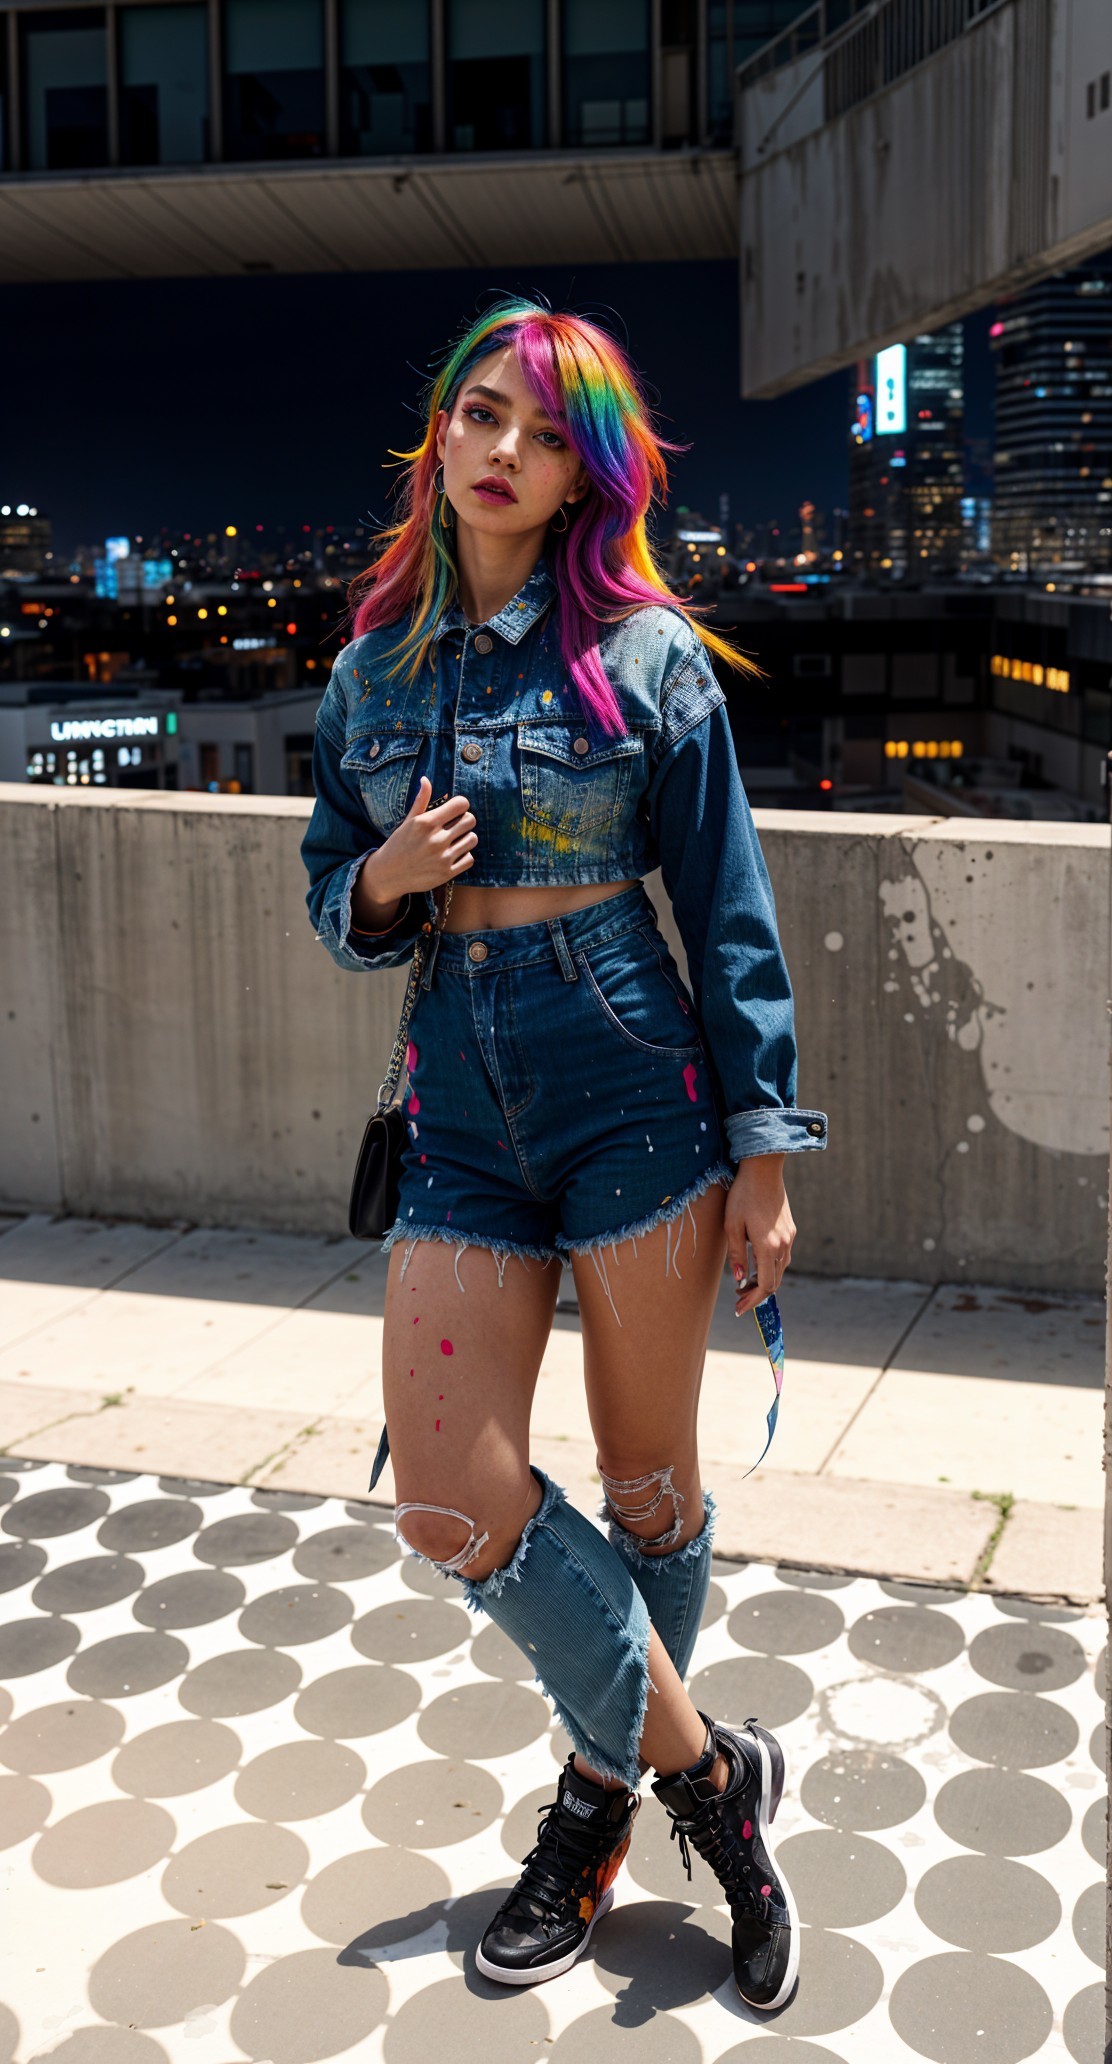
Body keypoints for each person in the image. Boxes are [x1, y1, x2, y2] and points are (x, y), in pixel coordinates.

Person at [301, 296, 828, 2014]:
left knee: (648, 1485)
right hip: (459, 1107)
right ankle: (711, 1787)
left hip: (634, 1096)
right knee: (453, 1496)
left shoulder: (648, 655)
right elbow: (334, 895)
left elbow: (728, 912)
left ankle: (595, 1808)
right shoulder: (372, 667)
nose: (498, 446)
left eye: (536, 427)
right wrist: (378, 883)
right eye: (476, 414)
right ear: (439, 438)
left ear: (581, 467)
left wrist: (763, 1149)